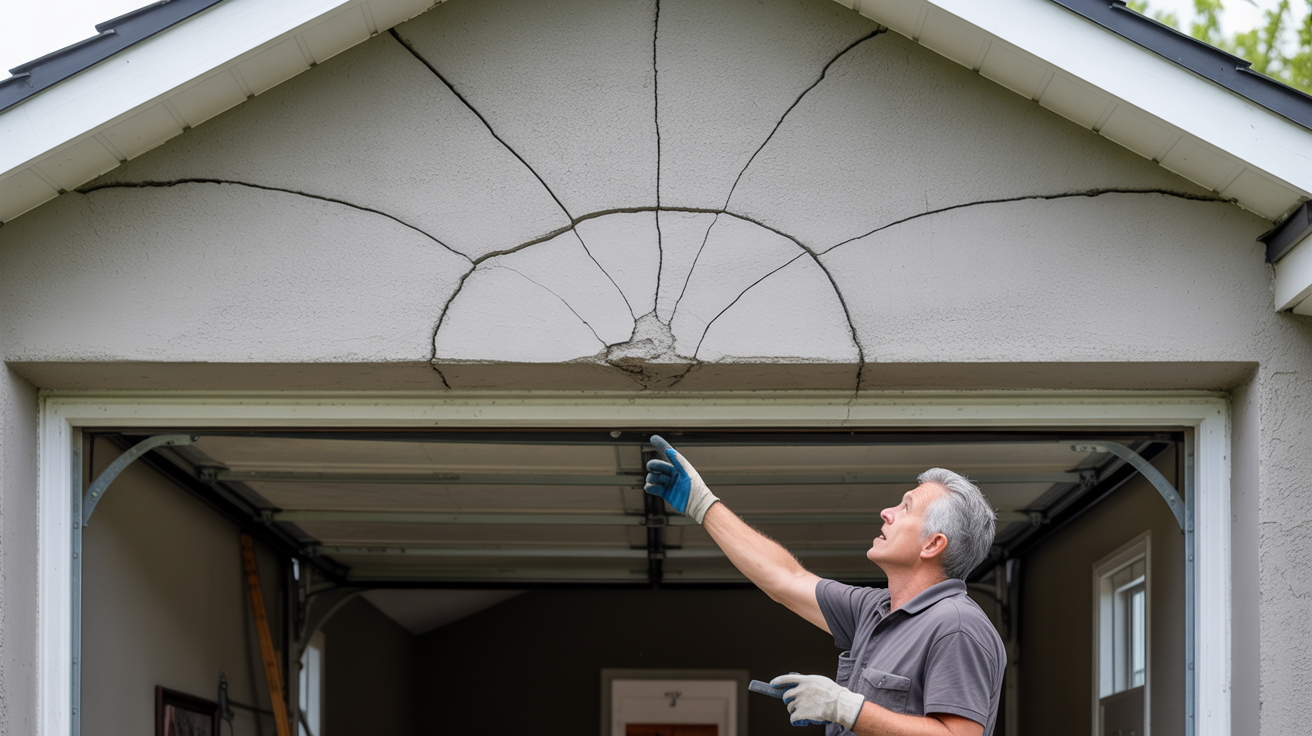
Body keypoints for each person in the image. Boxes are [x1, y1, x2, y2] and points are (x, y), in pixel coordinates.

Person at [643, 436, 1006, 736]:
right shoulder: (875, 611)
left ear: (932, 544)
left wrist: (844, 707)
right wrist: (702, 503)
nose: (887, 512)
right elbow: (786, 580)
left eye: (906, 508)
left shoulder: (956, 626)